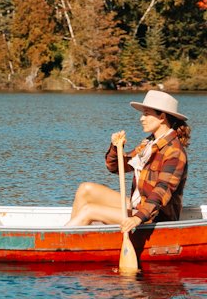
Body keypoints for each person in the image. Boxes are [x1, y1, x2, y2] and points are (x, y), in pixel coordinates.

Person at [64, 89, 191, 234]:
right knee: (85, 189)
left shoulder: (174, 151)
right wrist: (116, 147)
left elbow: (162, 190)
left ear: (161, 117)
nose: (141, 119)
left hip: (155, 216)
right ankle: (74, 238)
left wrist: (137, 218)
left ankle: (61, 241)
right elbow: (116, 168)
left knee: (90, 210)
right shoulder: (149, 144)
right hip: (138, 205)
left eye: (146, 114)